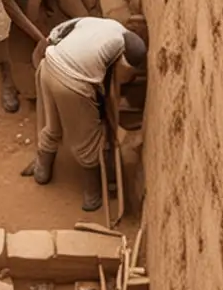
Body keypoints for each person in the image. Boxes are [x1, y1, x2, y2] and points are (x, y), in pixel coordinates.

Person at [30, 20, 148, 209]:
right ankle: (92, 194)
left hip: (49, 64)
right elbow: (118, 83)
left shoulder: (96, 23)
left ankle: (42, 169)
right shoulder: (123, 46)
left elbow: (51, 37)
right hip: (73, 83)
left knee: (53, 125)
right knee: (87, 138)